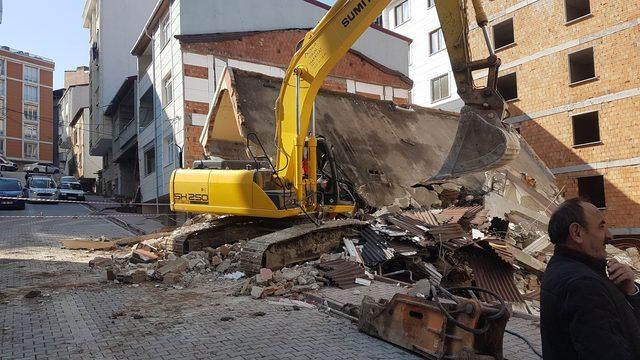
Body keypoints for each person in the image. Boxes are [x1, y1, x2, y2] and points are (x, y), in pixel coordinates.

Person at [540, 198, 640, 359]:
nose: (610, 235)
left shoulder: (562, 268)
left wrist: (630, 290)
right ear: (577, 233)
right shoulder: (583, 285)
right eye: (601, 227)